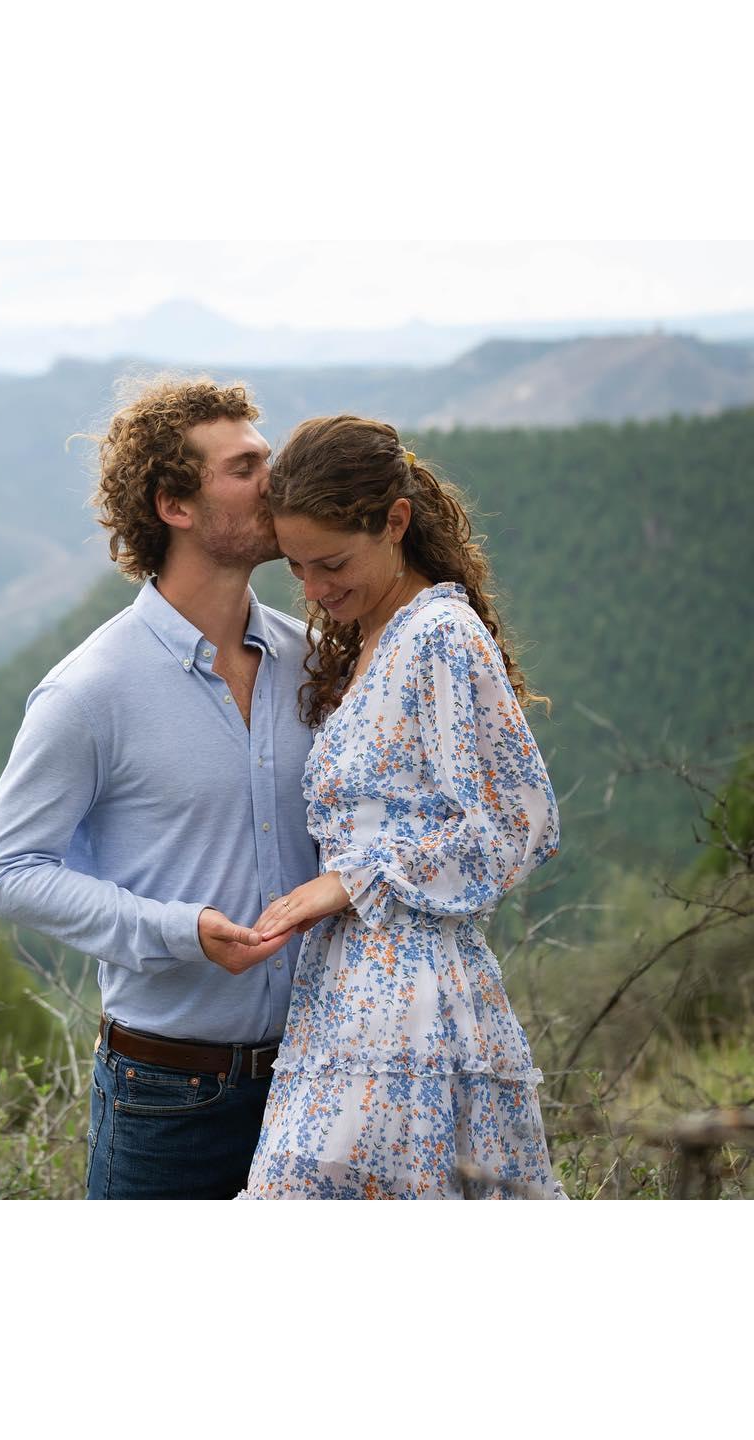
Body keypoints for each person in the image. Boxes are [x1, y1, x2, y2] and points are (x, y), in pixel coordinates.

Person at [0, 376, 320, 1200]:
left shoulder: (313, 661)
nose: (274, 482)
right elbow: (9, 873)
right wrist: (178, 930)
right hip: (168, 1099)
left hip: (320, 1080)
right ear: (175, 505)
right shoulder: (89, 691)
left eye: (267, 459)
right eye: (244, 468)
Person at [240, 414, 565, 1199]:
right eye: (297, 568)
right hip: (344, 994)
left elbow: (519, 823)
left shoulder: (440, 635)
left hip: (412, 1002)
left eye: (332, 563)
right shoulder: (369, 636)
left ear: (394, 522)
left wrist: (355, 881)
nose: (314, 590)